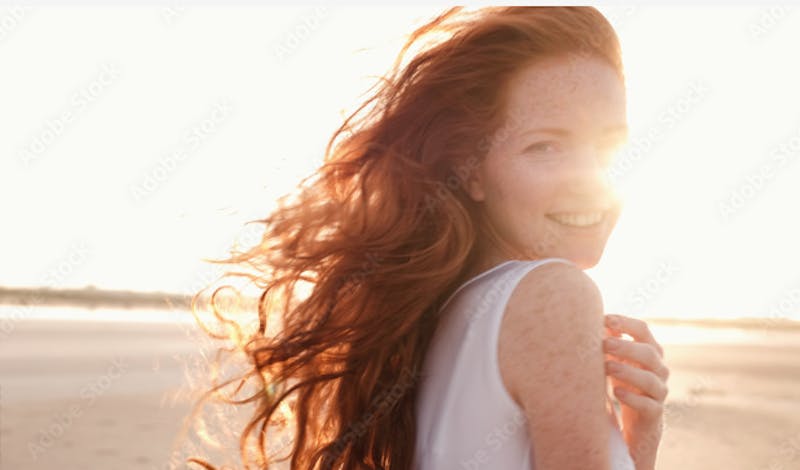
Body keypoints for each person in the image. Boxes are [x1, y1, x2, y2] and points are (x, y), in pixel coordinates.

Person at [186, 6, 669, 470]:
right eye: (544, 145)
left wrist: (638, 436)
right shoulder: (553, 295)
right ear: (473, 170)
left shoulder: (443, 317)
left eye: (609, 147)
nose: (590, 178)